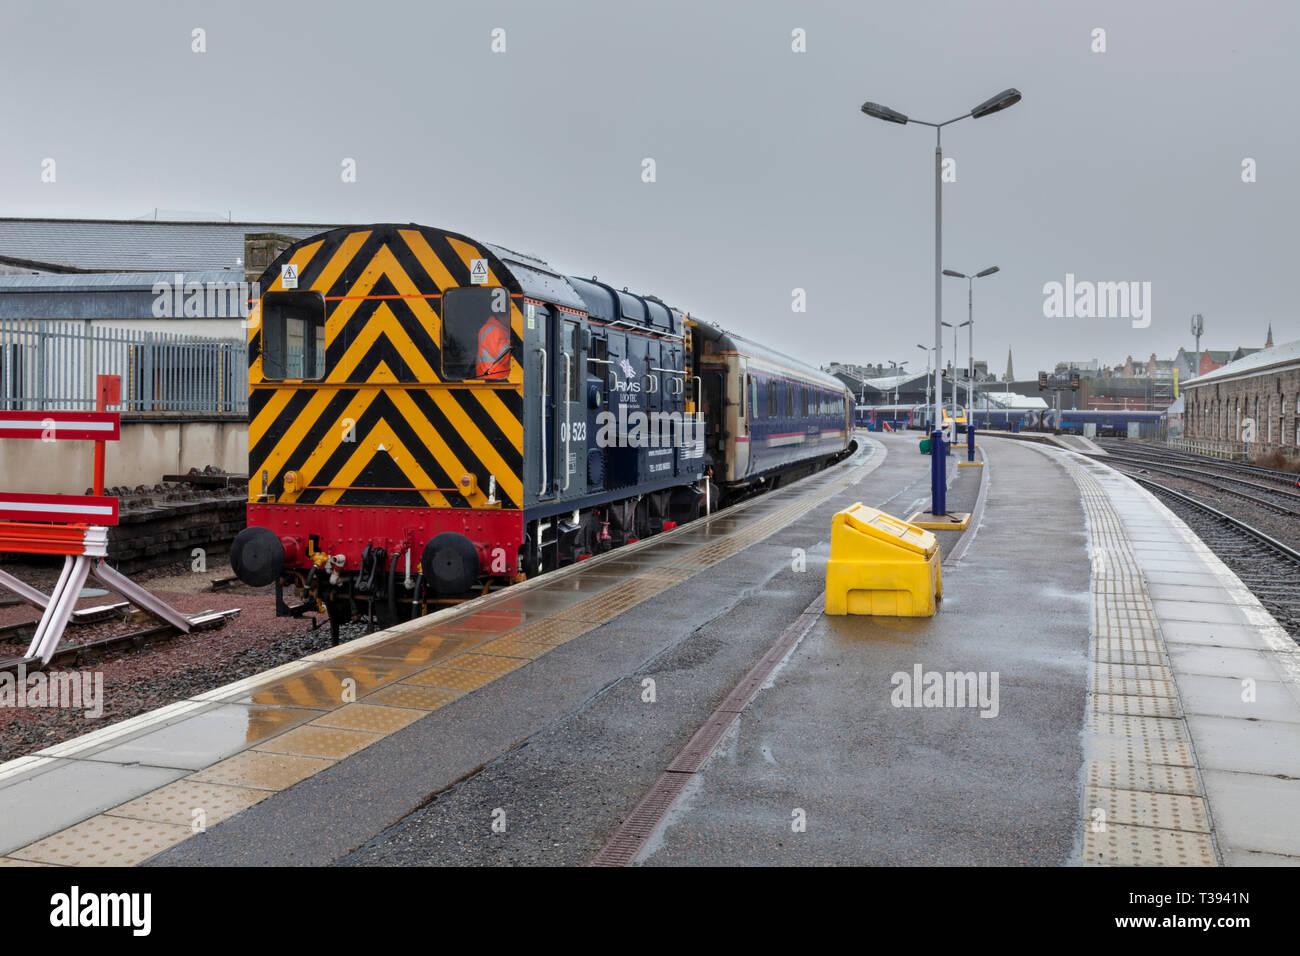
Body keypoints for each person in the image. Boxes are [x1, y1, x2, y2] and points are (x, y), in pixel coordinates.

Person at [476, 314, 511, 378]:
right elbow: (502, 356)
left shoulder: (501, 329)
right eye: (510, 315)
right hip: (494, 377)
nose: (512, 318)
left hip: (496, 376)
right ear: (501, 315)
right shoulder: (494, 330)